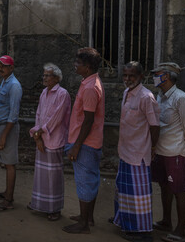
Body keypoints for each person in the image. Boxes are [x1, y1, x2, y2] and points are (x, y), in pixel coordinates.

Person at [112, 61, 160, 241]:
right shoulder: (127, 92)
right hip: (125, 150)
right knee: (124, 190)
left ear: (141, 76)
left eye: (131, 76)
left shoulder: (146, 97)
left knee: (139, 194)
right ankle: (124, 220)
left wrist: (153, 147)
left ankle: (142, 230)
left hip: (139, 153)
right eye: (125, 75)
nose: (127, 79)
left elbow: (155, 126)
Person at [150, 62, 185, 241]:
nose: (154, 76)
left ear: (167, 76)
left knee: (178, 190)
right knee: (164, 186)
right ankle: (166, 221)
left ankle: (180, 229)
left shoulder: (181, 98)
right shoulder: (160, 96)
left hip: (176, 152)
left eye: (157, 73)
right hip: (161, 151)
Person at [63, 48, 103, 234]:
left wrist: (76, 146)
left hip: (85, 143)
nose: (75, 65)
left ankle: (84, 224)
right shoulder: (89, 82)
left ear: (87, 67)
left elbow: (88, 120)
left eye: (78, 63)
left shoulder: (90, 87)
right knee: (90, 180)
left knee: (85, 182)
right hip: (88, 141)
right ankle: (87, 218)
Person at [28, 63, 71, 222]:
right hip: (42, 138)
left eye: (47, 75)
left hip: (54, 140)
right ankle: (40, 204)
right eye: (44, 75)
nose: (44, 78)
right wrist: (37, 136)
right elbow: (39, 114)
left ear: (56, 78)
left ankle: (54, 209)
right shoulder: (43, 93)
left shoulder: (62, 94)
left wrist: (40, 132)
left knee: (53, 176)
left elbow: (57, 119)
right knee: (41, 175)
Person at [0, 55, 22, 213]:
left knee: (9, 164)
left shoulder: (14, 86)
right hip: (1, 126)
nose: (0, 68)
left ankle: (8, 200)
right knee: (6, 163)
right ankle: (7, 193)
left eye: (4, 66)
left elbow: (13, 115)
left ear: (11, 68)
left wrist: (3, 135)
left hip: (7, 128)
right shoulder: (4, 83)